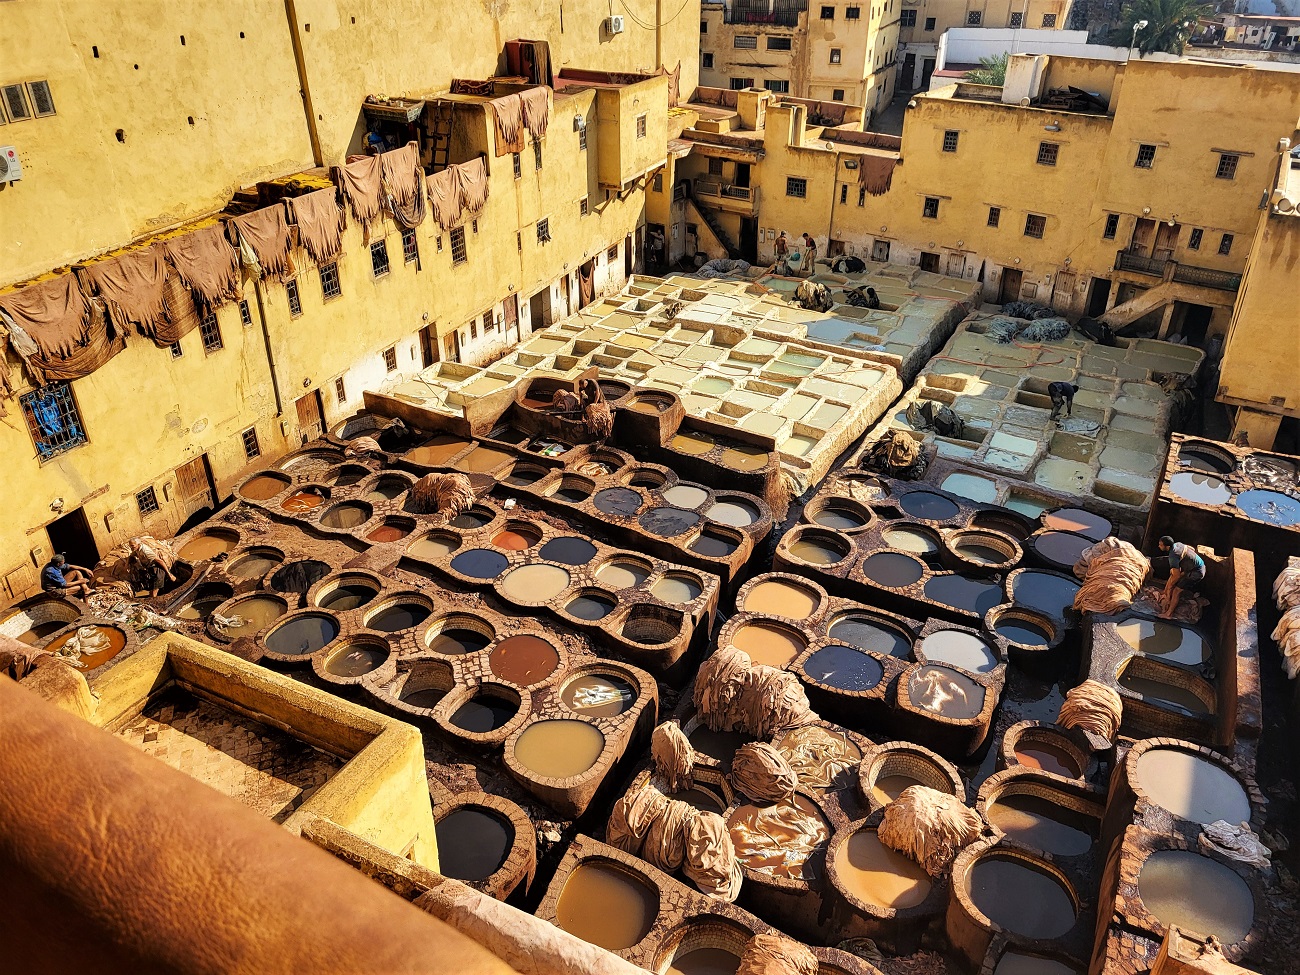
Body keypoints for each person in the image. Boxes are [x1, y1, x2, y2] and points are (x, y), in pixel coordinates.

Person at [1157, 535, 1206, 617]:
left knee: (1176, 591)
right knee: (1172, 574)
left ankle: (1168, 614)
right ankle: (1164, 592)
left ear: (1167, 546)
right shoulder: (1178, 544)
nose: (1159, 546)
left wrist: (1170, 588)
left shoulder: (1173, 556)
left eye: (1161, 545)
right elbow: (1192, 549)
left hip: (1196, 573)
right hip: (1195, 567)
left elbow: (1176, 576)